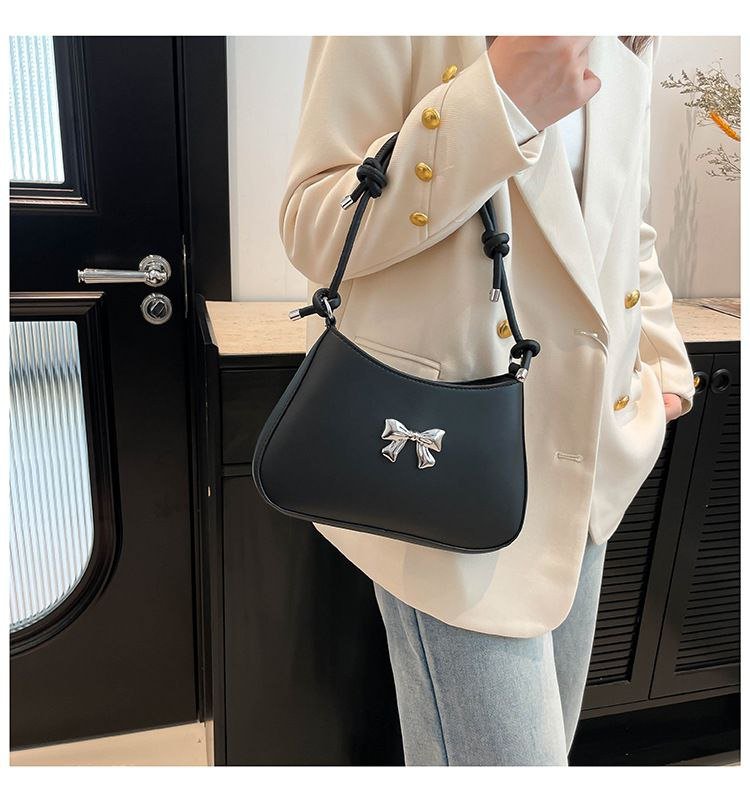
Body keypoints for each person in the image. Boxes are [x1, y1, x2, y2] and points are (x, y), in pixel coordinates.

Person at [278, 36, 696, 765]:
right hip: (448, 475)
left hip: (589, 470)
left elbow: (627, 227)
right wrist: (494, 104)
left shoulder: (623, 33)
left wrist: (662, 362)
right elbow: (314, 224)